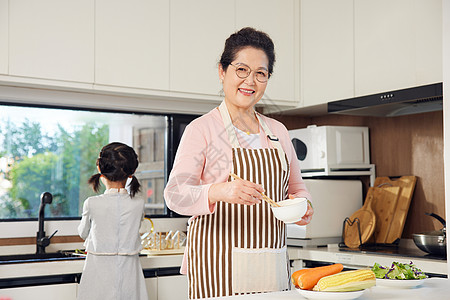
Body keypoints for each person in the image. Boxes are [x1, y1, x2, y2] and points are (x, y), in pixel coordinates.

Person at [164, 27, 314, 299]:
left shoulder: (278, 131)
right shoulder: (202, 129)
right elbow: (175, 194)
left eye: (261, 73)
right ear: (223, 71)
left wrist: (304, 206)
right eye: (242, 70)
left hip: (271, 260)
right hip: (217, 263)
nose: (251, 81)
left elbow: (296, 186)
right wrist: (219, 191)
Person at [77, 142, 148, 300]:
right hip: (130, 270)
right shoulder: (138, 203)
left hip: (98, 270)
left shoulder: (92, 203)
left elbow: (82, 233)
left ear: (100, 169)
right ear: (132, 172)